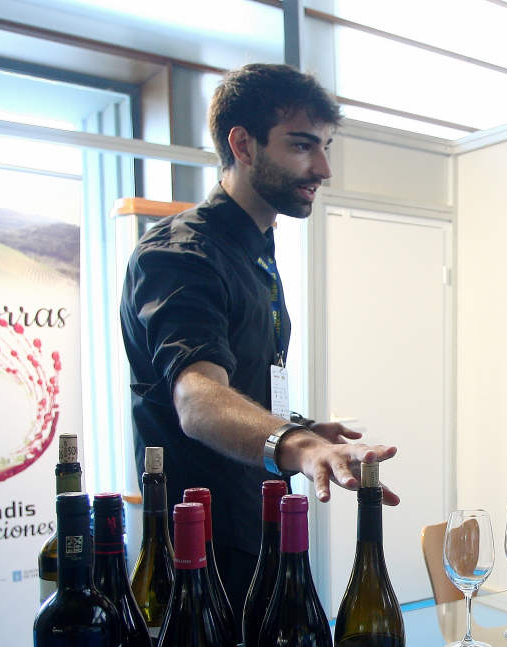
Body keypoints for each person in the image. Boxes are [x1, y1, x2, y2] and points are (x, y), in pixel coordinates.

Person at [120, 63, 397, 609]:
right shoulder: (179, 254)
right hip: (202, 547)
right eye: (302, 146)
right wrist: (297, 444)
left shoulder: (257, 250)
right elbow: (198, 402)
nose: (323, 167)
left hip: (260, 520)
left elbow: (239, 383)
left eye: (325, 146)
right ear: (242, 144)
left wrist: (301, 426)